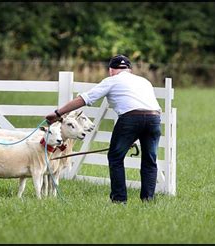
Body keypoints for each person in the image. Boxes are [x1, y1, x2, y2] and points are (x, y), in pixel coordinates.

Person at [45, 55, 162, 204]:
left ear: (111, 70)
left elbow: (85, 99)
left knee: (115, 158)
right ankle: (148, 200)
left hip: (130, 119)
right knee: (150, 161)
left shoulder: (111, 80)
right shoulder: (144, 81)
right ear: (130, 70)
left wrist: (57, 114)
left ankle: (119, 200)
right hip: (154, 119)